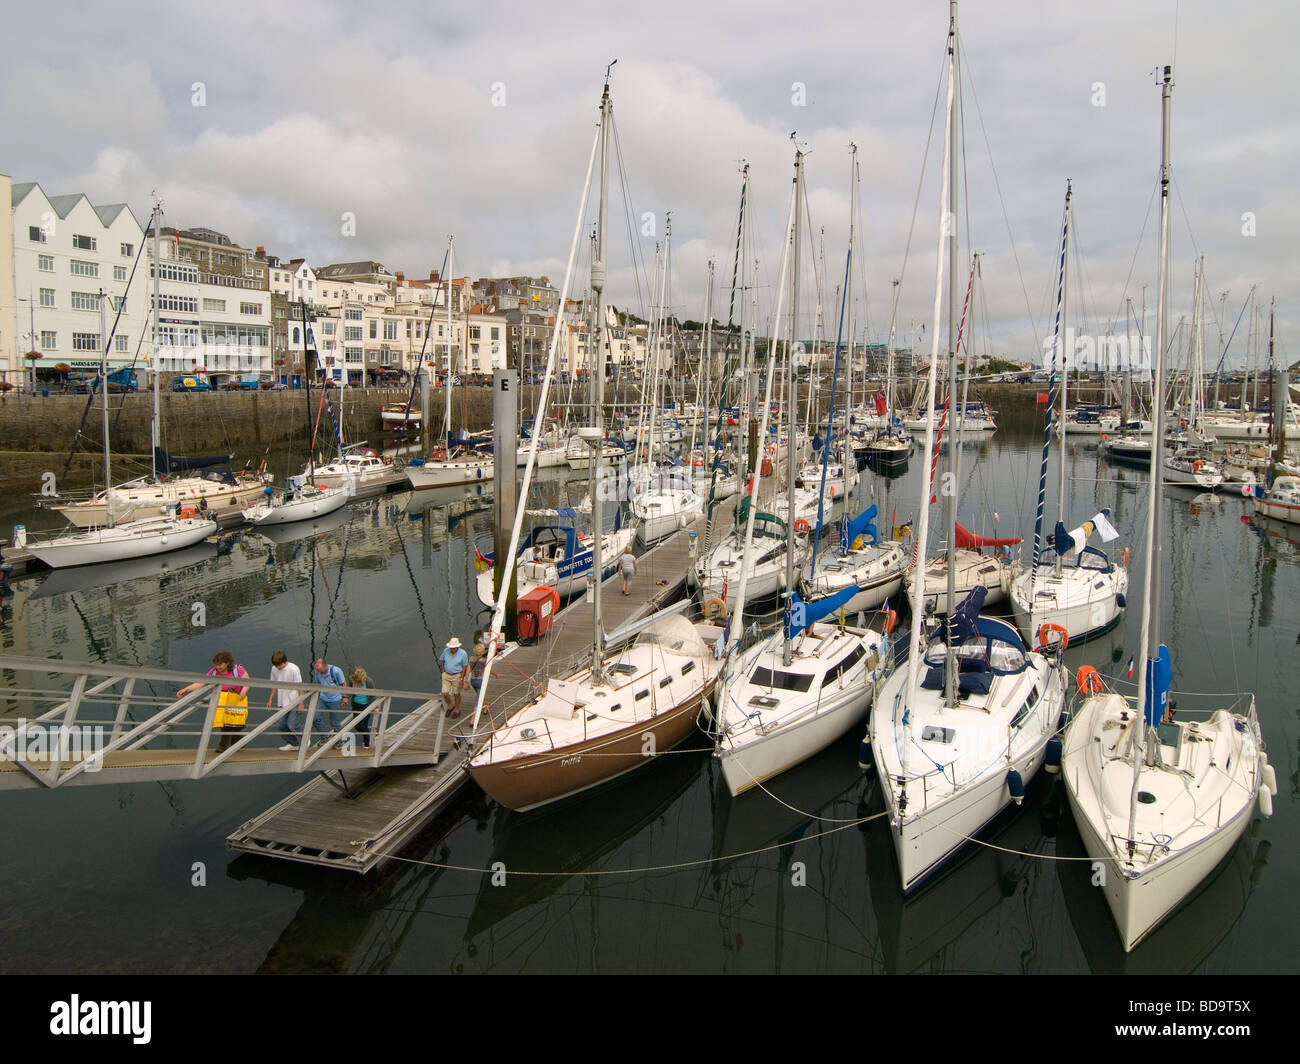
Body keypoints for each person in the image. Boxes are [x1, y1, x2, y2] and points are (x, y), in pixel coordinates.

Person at [178, 650, 249, 752]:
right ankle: (226, 745)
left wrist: (244, 691)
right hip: (221, 701)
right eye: (216, 665)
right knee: (225, 723)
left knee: (235, 723)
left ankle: (234, 742)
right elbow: (201, 682)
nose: (218, 667)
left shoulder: (238, 670)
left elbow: (247, 682)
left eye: (220, 665)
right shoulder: (214, 672)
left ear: (227, 663)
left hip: (236, 700)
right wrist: (186, 689)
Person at [268, 650, 306, 750]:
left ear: (285, 662)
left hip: (294, 700)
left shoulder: (294, 669)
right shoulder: (274, 669)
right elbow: (274, 684)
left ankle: (305, 738)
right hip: (282, 701)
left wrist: (301, 703)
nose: (277, 668)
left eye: (279, 666)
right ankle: (294, 744)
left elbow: (299, 686)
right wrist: (270, 699)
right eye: (276, 666)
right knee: (281, 726)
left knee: (292, 724)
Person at [312, 656, 349, 737]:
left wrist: (345, 697)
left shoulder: (336, 671)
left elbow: (343, 684)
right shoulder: (316, 671)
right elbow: (317, 683)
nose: (319, 672)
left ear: (325, 666)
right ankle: (325, 737)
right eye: (317, 670)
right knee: (315, 718)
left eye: (320, 670)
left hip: (335, 699)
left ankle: (339, 741)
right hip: (322, 698)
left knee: (335, 723)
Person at [439, 636, 469, 718]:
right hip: (446, 675)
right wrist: (443, 671)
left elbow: (464, 667)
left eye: (453, 648)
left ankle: (457, 709)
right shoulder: (445, 651)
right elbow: (442, 660)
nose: (451, 649)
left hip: (457, 675)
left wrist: (462, 679)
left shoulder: (463, 653)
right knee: (444, 693)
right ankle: (450, 705)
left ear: (457, 647)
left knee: (456, 694)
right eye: (451, 647)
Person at [349, 666, 375, 748]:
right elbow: (349, 691)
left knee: (363, 725)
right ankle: (365, 737)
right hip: (356, 705)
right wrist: (344, 697)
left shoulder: (368, 681)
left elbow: (373, 695)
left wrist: (376, 706)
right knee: (357, 726)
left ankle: (367, 743)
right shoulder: (352, 681)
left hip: (366, 706)